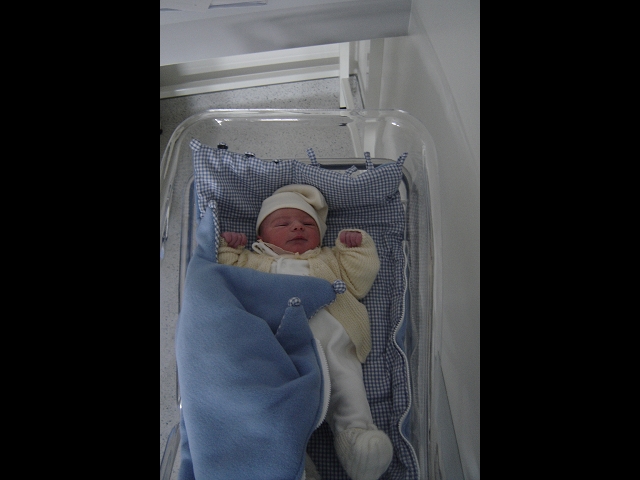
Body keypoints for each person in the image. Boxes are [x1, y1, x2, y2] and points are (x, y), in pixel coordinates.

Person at [219, 184, 394, 480]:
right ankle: (294, 465)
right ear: (261, 238)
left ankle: (357, 438)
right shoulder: (254, 261)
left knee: (347, 384)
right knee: (275, 401)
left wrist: (356, 248)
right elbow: (228, 279)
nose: (297, 227)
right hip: (277, 346)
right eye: (282, 224)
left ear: (320, 234)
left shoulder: (329, 259)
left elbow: (359, 280)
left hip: (332, 341)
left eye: (308, 224)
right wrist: (229, 249)